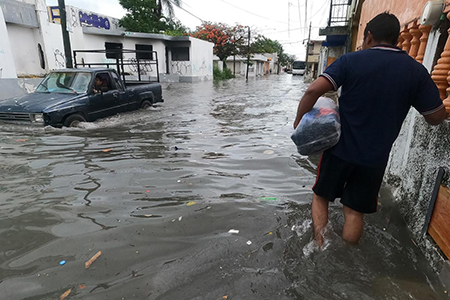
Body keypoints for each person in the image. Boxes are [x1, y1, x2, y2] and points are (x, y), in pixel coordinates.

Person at [293, 13, 447, 247]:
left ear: (369, 37)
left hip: (339, 150)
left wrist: (299, 122)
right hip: (375, 158)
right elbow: (435, 117)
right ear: (396, 39)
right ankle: (346, 257)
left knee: (321, 196)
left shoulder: (351, 61)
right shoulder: (415, 72)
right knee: (354, 212)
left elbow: (312, 91)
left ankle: (320, 245)